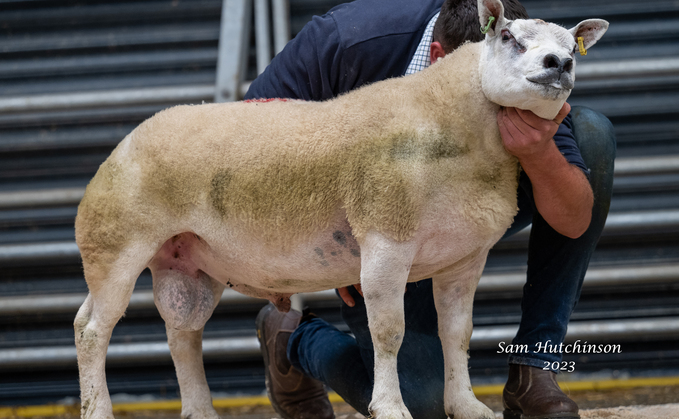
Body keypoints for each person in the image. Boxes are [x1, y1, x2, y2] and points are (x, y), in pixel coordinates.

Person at [246, 0, 616, 418]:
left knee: (591, 136)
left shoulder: (526, 59)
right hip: (367, 227)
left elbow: (572, 221)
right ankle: (294, 338)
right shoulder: (347, 41)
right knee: (424, 406)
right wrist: (330, 238)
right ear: (442, 60)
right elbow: (252, 132)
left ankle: (536, 367)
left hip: (463, 218)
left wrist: (539, 151)